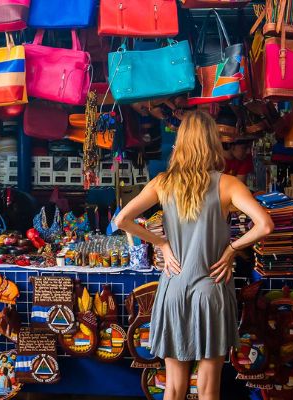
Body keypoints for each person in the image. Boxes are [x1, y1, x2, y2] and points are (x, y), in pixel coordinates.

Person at [114, 111, 273, 400]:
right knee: (208, 386)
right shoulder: (228, 184)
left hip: (173, 287)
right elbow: (265, 225)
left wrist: (160, 244)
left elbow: (122, 219)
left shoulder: (163, 183)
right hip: (211, 287)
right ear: (212, 143)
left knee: (173, 386)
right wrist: (232, 249)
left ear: (181, 142)